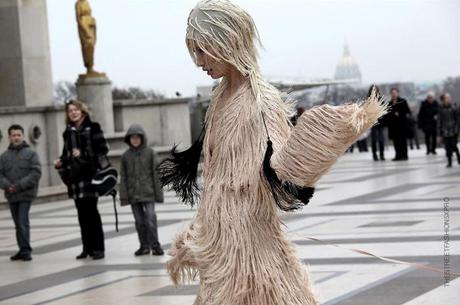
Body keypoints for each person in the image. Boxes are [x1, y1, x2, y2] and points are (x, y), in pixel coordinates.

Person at [158, 1, 387, 304]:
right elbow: (217, 175)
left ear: (226, 42)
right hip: (225, 239)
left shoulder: (260, 101)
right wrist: (204, 229)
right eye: (195, 52)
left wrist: (318, 136)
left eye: (202, 50)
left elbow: (278, 171)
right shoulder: (220, 97)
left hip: (251, 240)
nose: (198, 61)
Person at [54, 100, 109, 260]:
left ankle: (99, 248)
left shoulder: (93, 127)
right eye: (70, 110)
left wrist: (83, 153)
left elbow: (102, 149)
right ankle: (87, 248)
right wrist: (61, 161)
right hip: (75, 177)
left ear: (82, 111)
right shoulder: (68, 132)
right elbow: (67, 154)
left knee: (92, 213)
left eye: (76, 109)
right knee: (81, 214)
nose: (73, 113)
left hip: (90, 175)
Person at [119, 124, 165, 256]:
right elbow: (124, 178)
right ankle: (144, 246)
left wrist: (158, 194)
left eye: (137, 137)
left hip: (148, 192)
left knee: (150, 219)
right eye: (132, 137)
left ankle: (155, 245)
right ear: (129, 139)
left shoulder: (150, 153)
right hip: (133, 194)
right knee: (139, 222)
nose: (135, 140)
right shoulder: (125, 157)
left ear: (142, 138)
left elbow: (156, 175)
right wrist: (124, 196)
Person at [0, 124, 41, 261]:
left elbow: (35, 173)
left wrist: (18, 186)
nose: (16, 138)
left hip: (25, 194)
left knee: (23, 222)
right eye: (13, 135)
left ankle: (26, 251)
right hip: (11, 195)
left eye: (18, 135)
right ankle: (21, 248)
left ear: (23, 136)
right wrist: (7, 186)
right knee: (17, 223)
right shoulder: (4, 156)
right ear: (9, 137)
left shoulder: (31, 154)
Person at [387, 87, 411, 161]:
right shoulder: (389, 103)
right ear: (390, 94)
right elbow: (387, 114)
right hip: (393, 126)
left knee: (403, 141)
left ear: (398, 93)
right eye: (392, 93)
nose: (394, 94)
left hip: (402, 125)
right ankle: (398, 155)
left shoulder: (403, 101)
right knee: (396, 142)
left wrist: (400, 113)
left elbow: (408, 111)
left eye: (395, 93)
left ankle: (405, 155)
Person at [438, 93, 460, 167]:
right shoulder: (440, 109)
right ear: (443, 100)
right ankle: (449, 162)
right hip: (445, 131)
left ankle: (458, 158)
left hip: (453, 130)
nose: (448, 99)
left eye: (449, 98)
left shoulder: (454, 107)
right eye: (447, 98)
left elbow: (457, 119)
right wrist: (439, 133)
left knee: (454, 145)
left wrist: (457, 129)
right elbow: (439, 121)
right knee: (447, 147)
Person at [369, 85, 387, 160]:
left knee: (381, 139)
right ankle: (374, 154)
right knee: (374, 140)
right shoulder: (369, 100)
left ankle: (382, 154)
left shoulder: (381, 100)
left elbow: (385, 111)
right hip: (372, 123)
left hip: (380, 123)